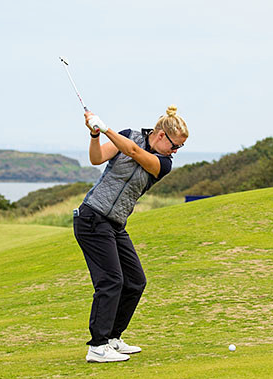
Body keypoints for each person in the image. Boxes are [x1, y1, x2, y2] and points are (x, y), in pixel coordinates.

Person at [73, 105, 189, 363]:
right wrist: (95, 135)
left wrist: (105, 128)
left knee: (135, 281)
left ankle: (113, 337)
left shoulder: (163, 163)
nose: (175, 152)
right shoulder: (129, 135)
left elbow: (134, 152)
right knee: (112, 280)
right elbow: (97, 158)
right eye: (174, 145)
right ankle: (98, 346)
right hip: (92, 217)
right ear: (160, 135)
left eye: (179, 148)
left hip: (115, 224)